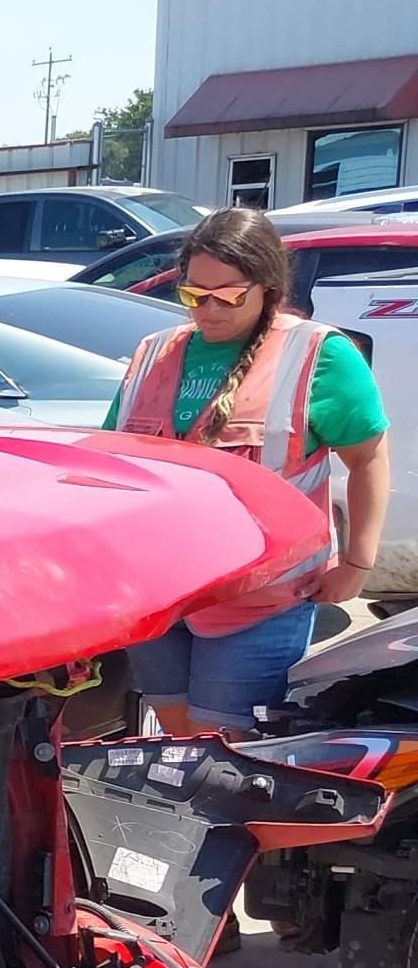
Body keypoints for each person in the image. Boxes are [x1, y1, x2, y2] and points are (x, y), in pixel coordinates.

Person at [105, 205, 391, 738]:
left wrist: (356, 563)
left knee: (233, 755)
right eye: (193, 294)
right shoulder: (154, 353)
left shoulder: (317, 355)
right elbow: (117, 465)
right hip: (163, 597)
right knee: (178, 742)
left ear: (267, 287)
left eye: (228, 295)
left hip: (259, 604)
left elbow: (369, 457)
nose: (207, 309)